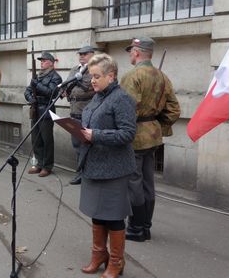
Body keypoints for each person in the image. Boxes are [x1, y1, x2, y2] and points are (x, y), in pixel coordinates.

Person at [78, 53, 136, 278]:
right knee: (97, 213)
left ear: (111, 76)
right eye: (91, 76)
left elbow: (128, 134)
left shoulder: (121, 98)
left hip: (114, 169)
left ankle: (116, 262)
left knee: (113, 216)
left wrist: (95, 135)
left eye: (96, 76)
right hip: (94, 164)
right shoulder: (98, 96)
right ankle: (99, 254)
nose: (92, 80)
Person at [120, 37, 181, 242]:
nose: (130, 54)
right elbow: (174, 110)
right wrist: (157, 125)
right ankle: (146, 226)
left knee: (133, 182)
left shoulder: (131, 76)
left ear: (137, 52)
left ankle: (136, 228)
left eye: (131, 51)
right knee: (148, 182)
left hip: (135, 136)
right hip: (153, 137)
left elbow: (126, 111)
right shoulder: (163, 77)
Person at [24, 52, 62, 177]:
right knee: (36, 139)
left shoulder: (55, 77)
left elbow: (51, 92)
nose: (41, 63)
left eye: (44, 60)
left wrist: (37, 85)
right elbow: (28, 91)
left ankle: (47, 166)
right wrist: (30, 99)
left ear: (51, 62)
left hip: (46, 109)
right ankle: (39, 164)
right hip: (35, 108)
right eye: (41, 61)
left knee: (47, 140)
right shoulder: (38, 76)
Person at [64, 46, 98, 185]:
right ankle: (80, 173)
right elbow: (67, 86)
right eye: (80, 54)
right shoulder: (74, 70)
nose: (81, 56)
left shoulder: (94, 70)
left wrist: (79, 86)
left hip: (87, 112)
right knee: (77, 145)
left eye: (85, 54)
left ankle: (88, 173)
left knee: (87, 146)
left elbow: (91, 89)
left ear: (92, 54)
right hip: (74, 111)